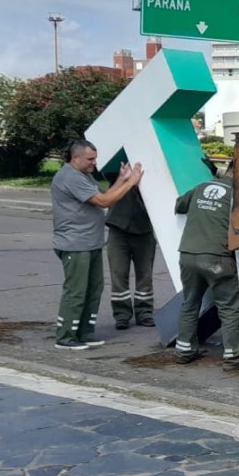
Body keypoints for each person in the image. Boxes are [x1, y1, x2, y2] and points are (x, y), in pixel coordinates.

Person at [51, 140, 143, 350]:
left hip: (90, 243)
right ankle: (65, 337)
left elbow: (103, 195)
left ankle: (84, 333)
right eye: (90, 159)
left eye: (95, 158)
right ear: (76, 158)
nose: (94, 163)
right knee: (76, 291)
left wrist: (122, 178)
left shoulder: (84, 175)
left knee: (93, 289)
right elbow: (104, 202)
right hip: (75, 244)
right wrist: (131, 183)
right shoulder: (71, 177)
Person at [173, 160, 239, 369]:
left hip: (188, 254)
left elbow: (179, 205)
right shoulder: (238, 195)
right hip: (216, 257)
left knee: (190, 302)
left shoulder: (202, 186)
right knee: (229, 307)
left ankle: (184, 349)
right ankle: (234, 356)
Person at [105, 177, 156, 329]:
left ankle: (144, 312)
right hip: (118, 227)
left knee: (145, 275)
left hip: (144, 229)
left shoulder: (153, 168)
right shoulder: (120, 166)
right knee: (118, 274)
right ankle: (121, 314)